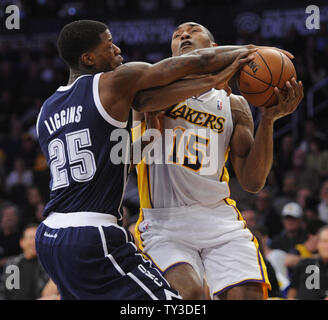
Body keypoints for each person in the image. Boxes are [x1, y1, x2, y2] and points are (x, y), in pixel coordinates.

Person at [34, 19, 261, 300]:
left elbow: (117, 160)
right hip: (93, 231)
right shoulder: (114, 82)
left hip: (50, 234)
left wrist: (150, 135)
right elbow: (197, 62)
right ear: (88, 58)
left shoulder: (47, 110)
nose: (118, 50)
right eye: (109, 45)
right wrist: (249, 52)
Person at [132, 22, 303, 300]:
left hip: (217, 217)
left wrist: (269, 120)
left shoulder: (235, 105)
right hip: (165, 221)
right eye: (177, 35)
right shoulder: (156, 84)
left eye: (193, 31)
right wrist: (215, 73)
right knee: (188, 294)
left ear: (215, 48)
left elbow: (252, 182)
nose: (183, 35)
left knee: (247, 296)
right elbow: (143, 103)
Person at [0, 224, 49, 300]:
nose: (34, 242)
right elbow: (5, 291)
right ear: (22, 242)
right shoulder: (13, 264)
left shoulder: (47, 265)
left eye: (37, 238)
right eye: (30, 238)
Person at [287, 225, 328, 300]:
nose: (327, 246)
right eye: (324, 241)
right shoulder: (304, 264)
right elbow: (292, 291)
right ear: (318, 244)